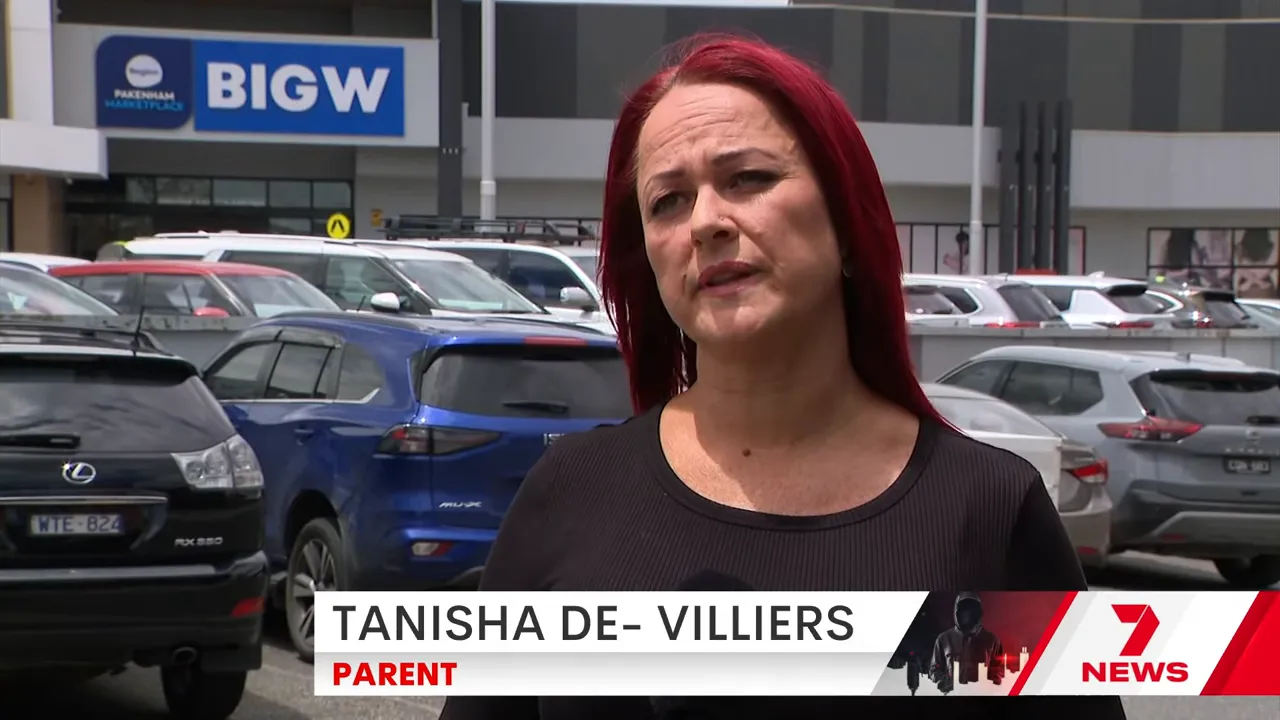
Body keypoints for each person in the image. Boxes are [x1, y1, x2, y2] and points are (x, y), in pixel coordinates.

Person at [440, 34, 1126, 720]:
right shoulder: (572, 491)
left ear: (849, 225)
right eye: (669, 201)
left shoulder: (990, 509)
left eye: (748, 179)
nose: (706, 221)